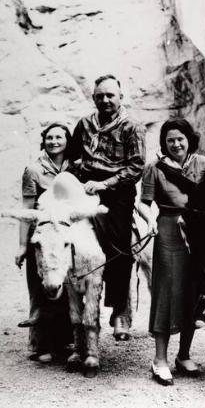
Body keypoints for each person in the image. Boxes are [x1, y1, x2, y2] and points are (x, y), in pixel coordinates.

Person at [70, 74, 146, 340]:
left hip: (117, 193)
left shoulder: (132, 126)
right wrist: (77, 176)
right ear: (93, 98)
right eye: (100, 96)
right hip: (85, 187)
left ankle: (119, 312)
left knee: (118, 247)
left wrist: (104, 185)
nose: (105, 100)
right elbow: (72, 155)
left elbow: (136, 167)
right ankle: (71, 313)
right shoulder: (85, 124)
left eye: (110, 95)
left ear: (120, 97)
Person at [140, 118, 205, 386]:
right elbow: (144, 203)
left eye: (180, 138)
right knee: (167, 293)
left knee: (193, 292)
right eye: (170, 140)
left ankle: (183, 355)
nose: (175, 144)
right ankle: (160, 360)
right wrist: (149, 221)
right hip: (168, 231)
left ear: (188, 139)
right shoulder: (155, 169)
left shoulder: (203, 164)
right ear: (164, 143)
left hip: (198, 233)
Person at [15, 122, 74, 363]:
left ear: (67, 140)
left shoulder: (76, 166)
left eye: (59, 137)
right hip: (42, 236)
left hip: (65, 235)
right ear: (44, 141)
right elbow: (26, 209)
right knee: (40, 288)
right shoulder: (33, 170)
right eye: (49, 137)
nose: (54, 141)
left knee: (66, 287)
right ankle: (41, 344)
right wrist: (22, 245)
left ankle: (67, 341)